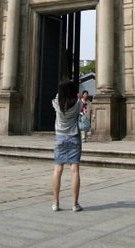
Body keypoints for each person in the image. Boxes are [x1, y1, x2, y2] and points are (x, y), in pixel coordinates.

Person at [52, 80, 83, 212]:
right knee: (74, 171)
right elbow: (79, 100)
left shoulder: (56, 104)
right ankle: (75, 204)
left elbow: (58, 96)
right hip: (74, 137)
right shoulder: (77, 103)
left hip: (59, 138)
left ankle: (56, 203)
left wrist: (63, 87)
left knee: (57, 171)